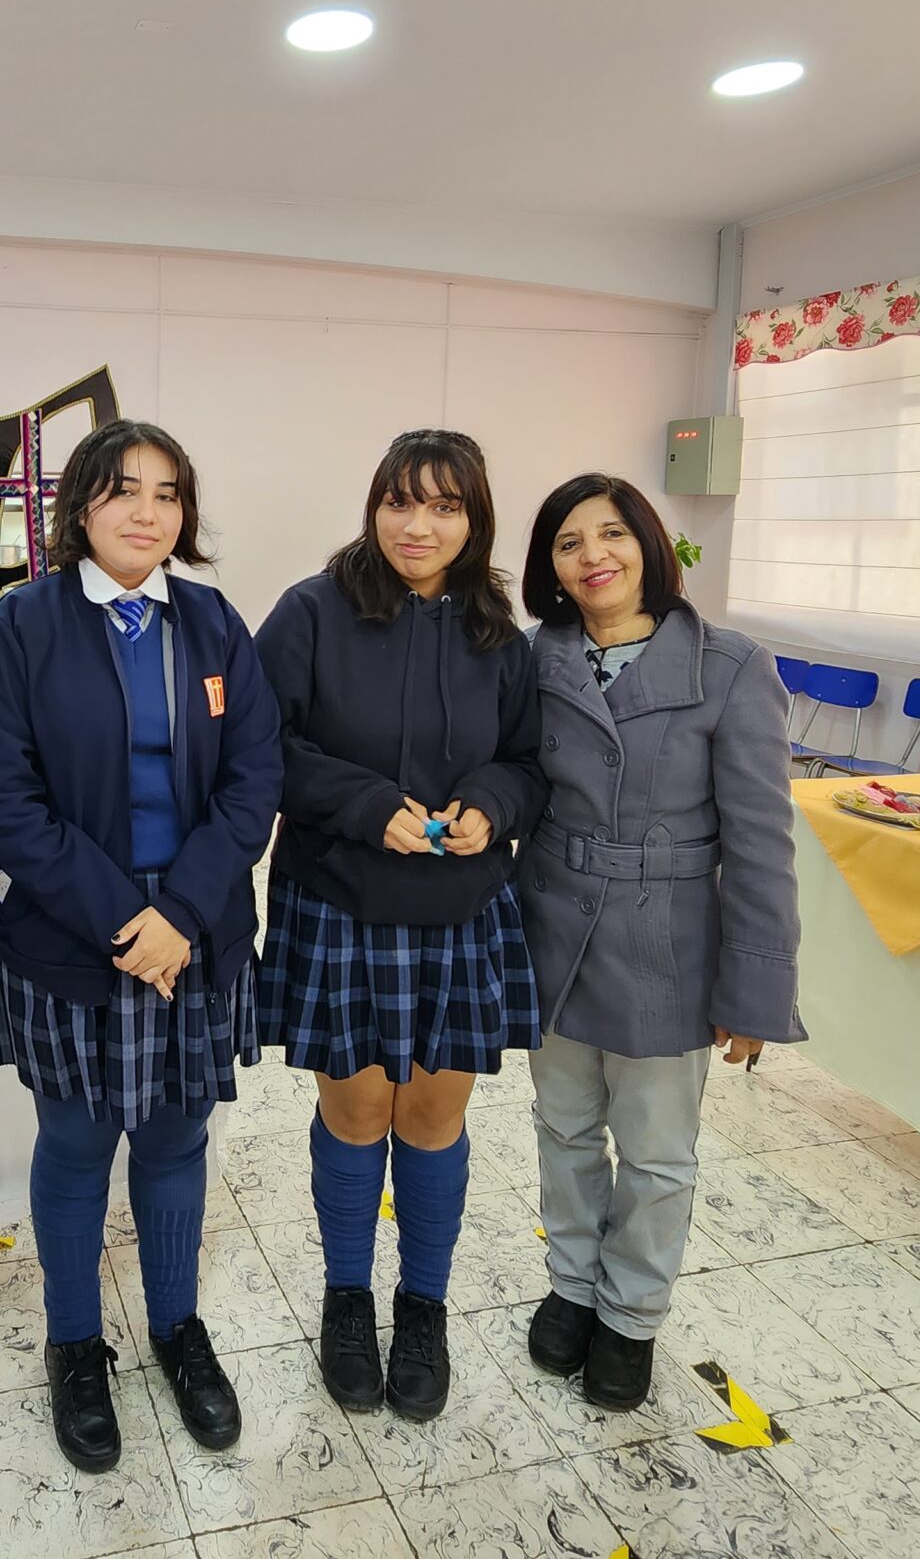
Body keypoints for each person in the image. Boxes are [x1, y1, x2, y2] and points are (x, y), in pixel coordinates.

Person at [0, 419, 283, 1474]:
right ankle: (73, 1345)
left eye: (167, 493)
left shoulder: (213, 621)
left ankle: (177, 1329)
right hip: (73, 927)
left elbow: (254, 780)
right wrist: (121, 922)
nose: (147, 512)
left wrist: (181, 912)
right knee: (75, 1142)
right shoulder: (21, 624)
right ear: (80, 507)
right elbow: (2, 800)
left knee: (179, 1140)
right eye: (122, 490)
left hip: (194, 926)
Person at [253, 429, 546, 1422]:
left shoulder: (498, 636)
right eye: (401, 501)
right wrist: (362, 802)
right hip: (342, 900)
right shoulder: (310, 612)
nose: (418, 526)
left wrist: (491, 807)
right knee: (357, 1112)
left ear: (475, 521)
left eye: (445, 507)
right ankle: (347, 1299)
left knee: (430, 1116)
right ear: (375, 505)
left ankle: (423, 1306)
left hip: (461, 909)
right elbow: (260, 748)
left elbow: (527, 762)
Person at [515, 472, 799, 1411]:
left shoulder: (730, 666)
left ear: (649, 544)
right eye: (568, 543)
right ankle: (571, 1286)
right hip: (554, 926)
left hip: (668, 943)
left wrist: (755, 989)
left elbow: (761, 842)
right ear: (550, 567)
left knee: (656, 1149)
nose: (593, 556)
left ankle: (631, 1315)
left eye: (612, 534)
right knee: (563, 1126)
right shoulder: (534, 658)